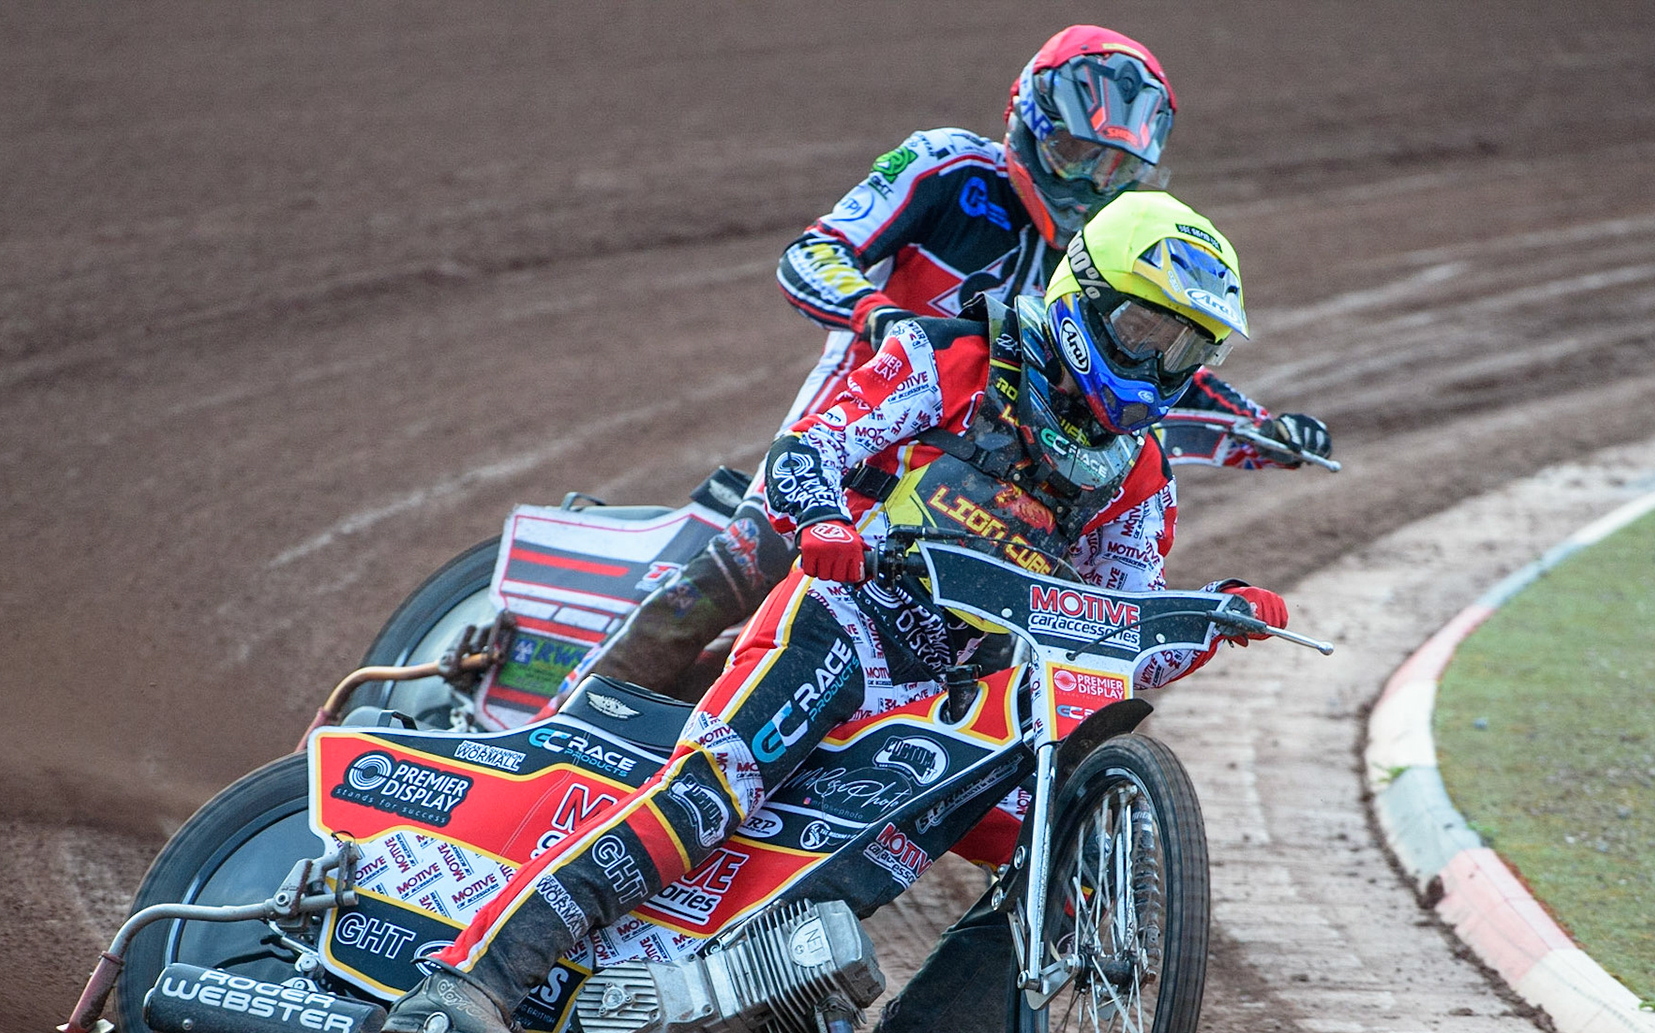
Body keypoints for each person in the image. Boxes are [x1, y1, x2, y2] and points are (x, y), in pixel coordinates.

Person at [384, 195, 1290, 1033]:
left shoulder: (1141, 472)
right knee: (709, 794)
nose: (1158, 368)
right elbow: (810, 450)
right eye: (1146, 330)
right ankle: (467, 982)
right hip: (842, 626)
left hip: (955, 701)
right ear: (1083, 296)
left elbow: (1113, 638)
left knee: (1076, 874)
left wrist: (1206, 622)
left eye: (1186, 350)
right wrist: (825, 523)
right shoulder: (959, 356)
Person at [560, 25, 1329, 707]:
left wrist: (1260, 430)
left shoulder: (1114, 255)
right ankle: (560, 722)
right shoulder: (948, 169)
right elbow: (813, 253)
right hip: (861, 420)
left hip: (975, 474)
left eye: (1114, 172)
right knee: (749, 558)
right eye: (1073, 154)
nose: (1089, 186)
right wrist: (881, 316)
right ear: (1026, 124)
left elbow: (1153, 374)